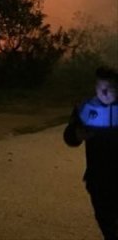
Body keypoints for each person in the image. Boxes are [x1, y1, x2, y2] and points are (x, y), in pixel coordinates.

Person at [63, 65, 118, 240]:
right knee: (108, 226)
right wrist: (77, 134)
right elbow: (70, 136)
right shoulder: (86, 108)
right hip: (99, 181)